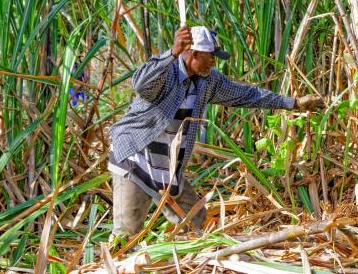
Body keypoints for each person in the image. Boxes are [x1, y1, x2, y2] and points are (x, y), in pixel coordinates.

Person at [107, 26, 323, 239]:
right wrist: (172, 52)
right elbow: (141, 84)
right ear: (194, 54)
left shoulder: (208, 82)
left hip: (167, 167)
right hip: (135, 159)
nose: (214, 62)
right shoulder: (166, 72)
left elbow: (248, 95)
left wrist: (293, 103)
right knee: (126, 234)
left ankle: (178, 261)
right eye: (211, 56)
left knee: (195, 218)